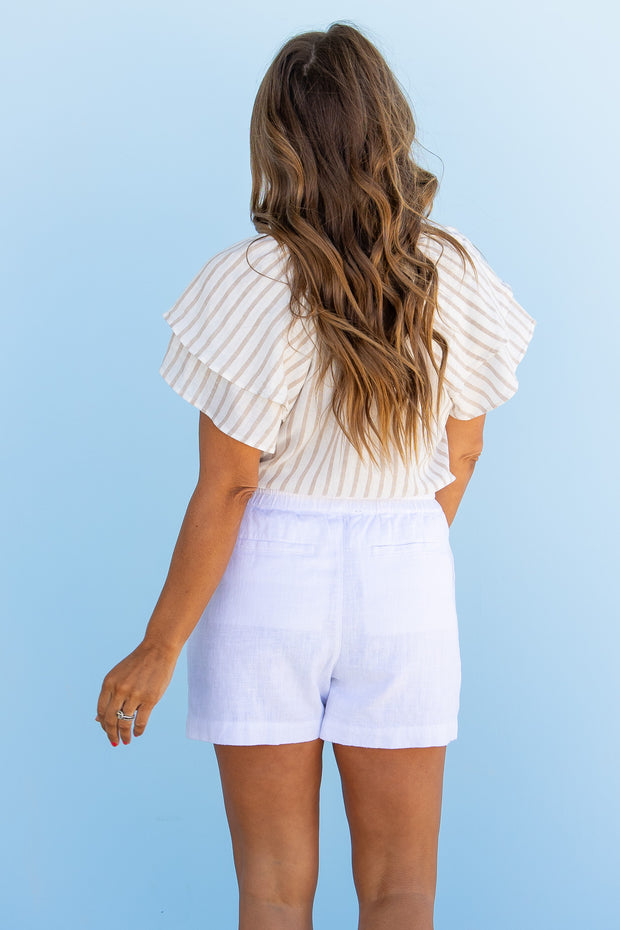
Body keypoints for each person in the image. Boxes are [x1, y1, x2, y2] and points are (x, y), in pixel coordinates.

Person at [95, 21, 536, 930]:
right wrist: (399, 544)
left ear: (278, 142)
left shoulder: (251, 280)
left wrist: (159, 645)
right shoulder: (451, 270)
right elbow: (464, 453)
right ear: (389, 126)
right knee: (401, 889)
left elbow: (229, 485)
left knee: (271, 889)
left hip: (270, 574)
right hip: (408, 568)